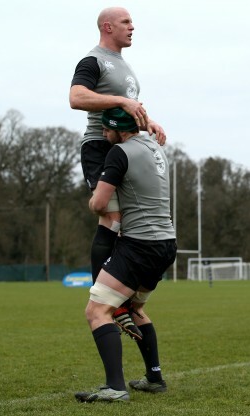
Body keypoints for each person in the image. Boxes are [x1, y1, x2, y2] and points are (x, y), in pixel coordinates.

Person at [69, 6, 167, 340]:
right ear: (107, 26)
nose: (133, 27)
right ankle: (104, 296)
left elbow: (126, 108)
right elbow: (76, 97)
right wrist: (121, 103)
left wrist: (147, 120)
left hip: (124, 147)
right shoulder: (92, 60)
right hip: (100, 146)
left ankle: (122, 301)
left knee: (128, 222)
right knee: (110, 219)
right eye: (126, 22)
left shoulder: (126, 67)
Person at [75, 108, 177, 403]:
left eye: (106, 129)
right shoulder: (155, 147)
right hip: (166, 243)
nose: (103, 135)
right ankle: (154, 377)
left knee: (97, 311)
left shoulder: (119, 152)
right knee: (134, 310)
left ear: (119, 130)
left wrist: (93, 199)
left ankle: (115, 387)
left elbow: (100, 204)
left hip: (139, 245)